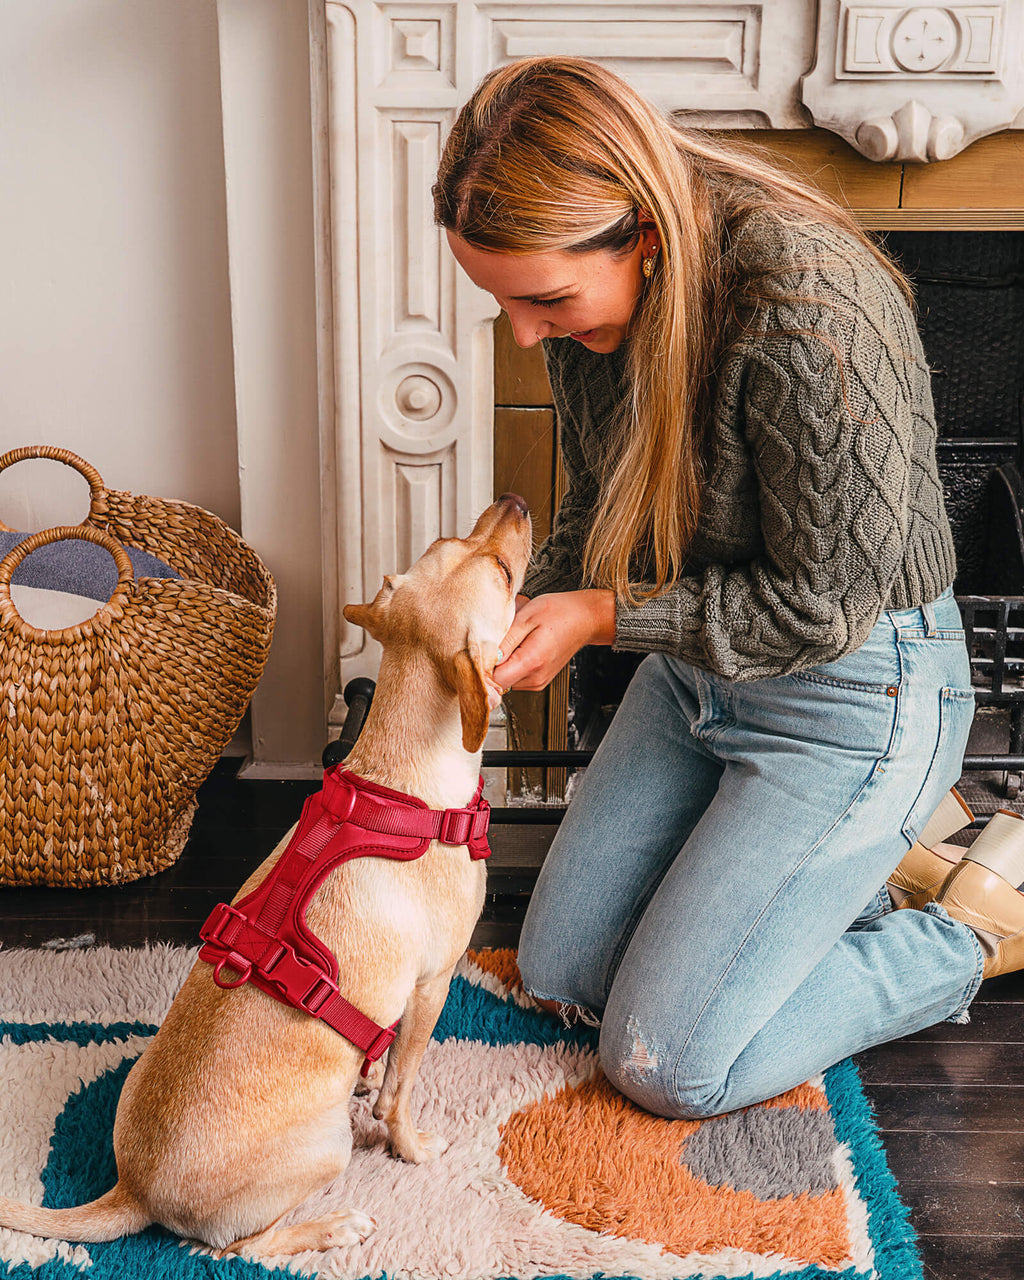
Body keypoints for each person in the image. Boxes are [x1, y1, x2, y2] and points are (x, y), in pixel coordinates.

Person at [433, 55, 1024, 1120]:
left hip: (858, 688)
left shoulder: (807, 308)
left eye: (544, 299)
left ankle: (970, 926)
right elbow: (590, 512)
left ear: (643, 238)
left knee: (669, 1064)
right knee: (565, 977)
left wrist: (604, 616)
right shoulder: (594, 318)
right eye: (506, 303)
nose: (524, 333)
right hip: (698, 675)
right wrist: (532, 608)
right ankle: (859, 862)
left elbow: (818, 608)